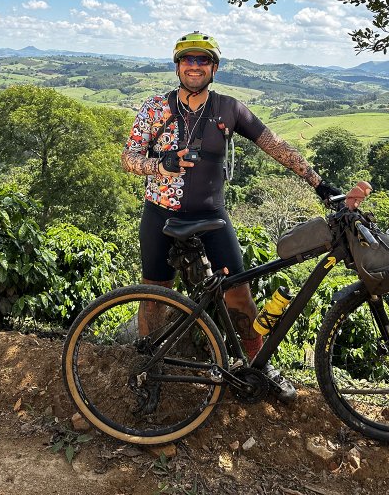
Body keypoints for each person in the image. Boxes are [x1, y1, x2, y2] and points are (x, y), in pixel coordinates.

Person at [121, 31, 343, 403]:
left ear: (214, 68)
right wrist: (160, 164)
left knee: (239, 294)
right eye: (188, 59)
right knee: (155, 295)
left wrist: (319, 184)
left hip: (212, 215)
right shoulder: (155, 108)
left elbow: (274, 145)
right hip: (160, 215)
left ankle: (258, 363)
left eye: (203, 60)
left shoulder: (229, 109)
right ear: (177, 66)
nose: (194, 66)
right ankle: (148, 367)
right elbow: (128, 158)